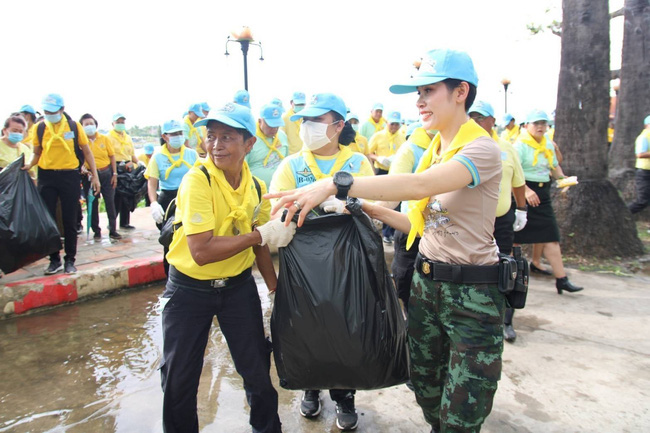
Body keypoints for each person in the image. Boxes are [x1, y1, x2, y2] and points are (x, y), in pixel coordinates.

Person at [268, 49, 509, 433]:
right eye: (419, 93)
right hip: (428, 285)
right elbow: (417, 224)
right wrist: (364, 207)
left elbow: (418, 186)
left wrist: (337, 183)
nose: (419, 101)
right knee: (426, 386)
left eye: (429, 91)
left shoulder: (479, 149)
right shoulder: (435, 149)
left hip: (472, 294)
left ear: (460, 91)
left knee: (464, 406)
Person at [160, 102, 294, 433]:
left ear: (250, 144)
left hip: (236, 288)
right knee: (179, 380)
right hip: (189, 289)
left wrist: (275, 288)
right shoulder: (198, 181)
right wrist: (258, 234)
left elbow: (260, 245)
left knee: (258, 372)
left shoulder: (256, 187)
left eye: (227, 137)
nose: (217, 145)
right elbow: (201, 251)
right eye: (211, 136)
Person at [270, 93, 373, 431]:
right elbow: (278, 208)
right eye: (305, 121)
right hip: (303, 261)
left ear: (338, 125)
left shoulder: (357, 164)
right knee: (306, 322)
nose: (307, 127)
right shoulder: (291, 165)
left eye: (316, 121)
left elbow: (376, 204)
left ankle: (345, 394)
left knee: (346, 323)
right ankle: (311, 386)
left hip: (347, 259)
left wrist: (351, 204)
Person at [468, 101, 527, 343]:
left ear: (493, 120)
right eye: (473, 117)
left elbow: (518, 181)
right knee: (474, 270)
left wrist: (522, 209)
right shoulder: (466, 146)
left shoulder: (507, 148)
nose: (477, 122)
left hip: (501, 219)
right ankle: (474, 316)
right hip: (471, 222)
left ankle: (505, 320)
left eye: (482, 118)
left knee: (504, 269)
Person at [23, 93, 100, 275]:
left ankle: (70, 260)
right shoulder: (40, 128)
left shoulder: (74, 126)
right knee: (49, 220)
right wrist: (28, 165)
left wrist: (95, 176)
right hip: (47, 176)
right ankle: (54, 259)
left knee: (69, 219)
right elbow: (37, 153)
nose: (50, 114)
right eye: (46, 111)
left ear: (62, 110)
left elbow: (87, 152)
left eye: (53, 111)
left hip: (69, 176)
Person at [513, 109, 583, 294]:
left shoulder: (547, 145)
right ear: (526, 125)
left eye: (543, 123)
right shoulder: (520, 146)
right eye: (536, 123)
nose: (540, 127)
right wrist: (526, 191)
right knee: (516, 239)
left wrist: (562, 179)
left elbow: (554, 166)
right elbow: (513, 170)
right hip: (522, 192)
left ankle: (562, 279)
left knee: (550, 236)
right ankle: (513, 279)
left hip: (543, 193)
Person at [384, 121, 434, 311]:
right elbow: (393, 189)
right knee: (405, 277)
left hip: (441, 231)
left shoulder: (454, 149)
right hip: (410, 226)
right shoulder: (410, 150)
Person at [148, 120, 199, 276]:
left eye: (180, 133)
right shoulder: (157, 157)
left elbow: (201, 176)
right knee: (169, 239)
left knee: (191, 236)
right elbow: (152, 183)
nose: (178, 137)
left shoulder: (192, 154)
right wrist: (154, 203)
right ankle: (170, 277)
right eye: (174, 134)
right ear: (165, 136)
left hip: (189, 196)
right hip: (168, 200)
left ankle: (190, 274)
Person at [79, 113, 121, 240]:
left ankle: (113, 230)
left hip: (106, 173)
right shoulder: (80, 142)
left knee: (110, 202)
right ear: (81, 127)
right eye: (86, 124)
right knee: (93, 203)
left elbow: (112, 156)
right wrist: (83, 168)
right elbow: (78, 158)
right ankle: (96, 230)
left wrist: (114, 174)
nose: (89, 126)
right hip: (90, 176)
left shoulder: (104, 138)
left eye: (91, 123)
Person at [368, 110, 406, 244]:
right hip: (381, 171)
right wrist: (379, 158)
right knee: (383, 202)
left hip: (396, 172)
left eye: (397, 124)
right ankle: (385, 232)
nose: (394, 127)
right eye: (392, 124)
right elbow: (369, 152)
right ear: (387, 123)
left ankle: (391, 231)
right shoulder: (378, 136)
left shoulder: (402, 137)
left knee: (396, 204)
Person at [245, 104, 289, 188]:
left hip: (282, 189)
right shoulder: (249, 140)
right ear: (260, 121)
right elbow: (242, 169)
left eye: (277, 125)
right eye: (270, 125)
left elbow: (286, 160)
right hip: (258, 193)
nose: (274, 129)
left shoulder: (282, 136)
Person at [108, 113, 139, 230]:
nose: (121, 124)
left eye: (122, 122)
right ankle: (112, 223)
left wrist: (138, 163)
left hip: (128, 167)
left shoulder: (128, 138)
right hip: (115, 167)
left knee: (127, 195)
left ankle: (125, 222)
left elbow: (131, 154)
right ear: (113, 124)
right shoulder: (108, 137)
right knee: (115, 196)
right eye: (118, 122)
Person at [627, 114, 650, 214]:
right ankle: (621, 215)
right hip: (645, 173)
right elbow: (640, 154)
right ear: (647, 125)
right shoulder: (644, 137)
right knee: (642, 201)